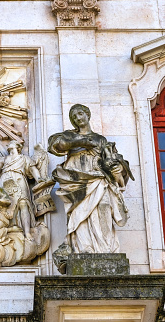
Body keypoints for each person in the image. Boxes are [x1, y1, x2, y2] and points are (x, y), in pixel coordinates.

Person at [48, 104, 132, 254]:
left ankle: (105, 249)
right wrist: (83, 142)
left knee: (104, 207)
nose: (78, 118)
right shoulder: (70, 136)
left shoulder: (101, 140)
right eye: (74, 117)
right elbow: (55, 144)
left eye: (80, 114)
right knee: (80, 213)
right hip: (77, 180)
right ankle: (84, 248)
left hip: (99, 178)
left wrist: (119, 167)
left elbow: (112, 159)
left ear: (87, 114)